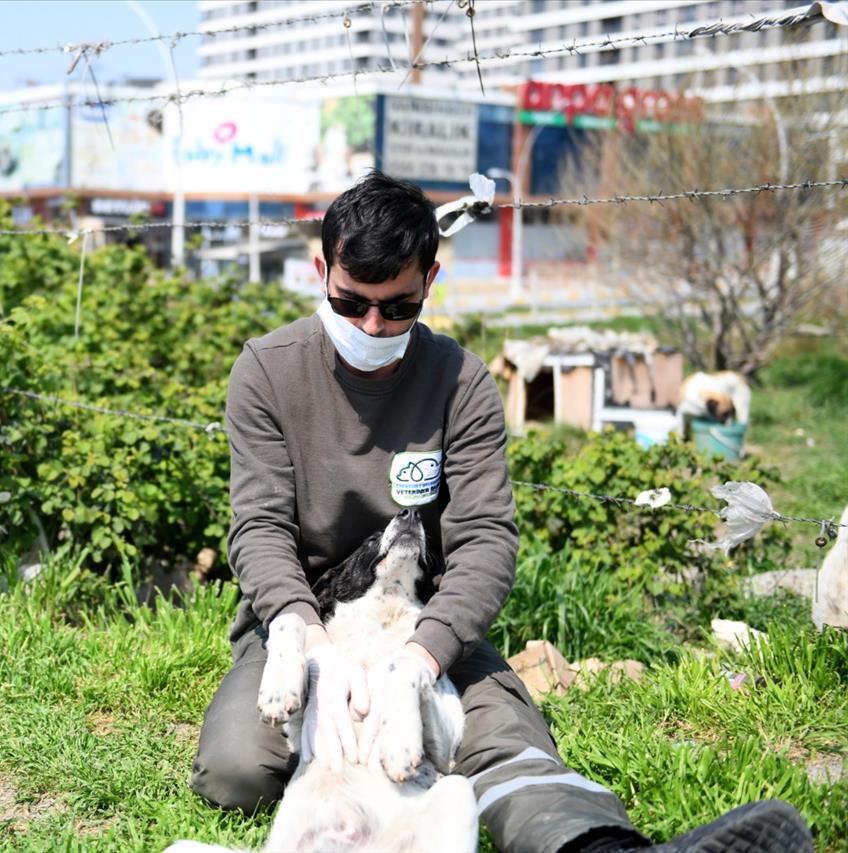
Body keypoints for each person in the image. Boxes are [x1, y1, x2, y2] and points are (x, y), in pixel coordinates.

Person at [188, 170, 812, 853]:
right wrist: (311, 645)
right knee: (237, 766)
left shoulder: (461, 380)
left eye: (398, 308)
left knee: (501, 738)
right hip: (303, 617)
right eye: (351, 303)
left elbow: (486, 541)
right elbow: (260, 526)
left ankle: (599, 847)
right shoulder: (268, 370)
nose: (373, 326)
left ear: (430, 281)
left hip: (421, 618)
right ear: (321, 272)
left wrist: (422, 661)